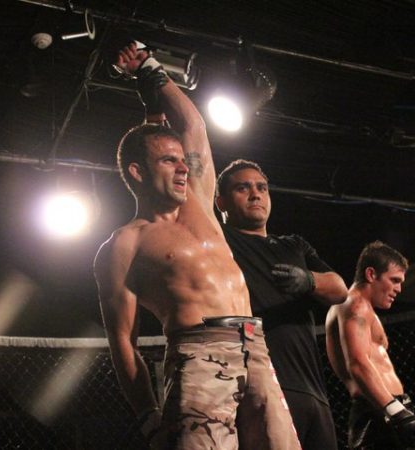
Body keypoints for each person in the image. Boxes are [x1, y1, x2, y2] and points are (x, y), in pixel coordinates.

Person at [93, 42, 301, 450]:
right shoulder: (125, 245)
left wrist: (150, 69)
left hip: (255, 347)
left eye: (182, 160)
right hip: (198, 354)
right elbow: (123, 344)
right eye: (168, 161)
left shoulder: (200, 205)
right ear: (137, 172)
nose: (183, 167)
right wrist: (148, 418)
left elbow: (193, 125)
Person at [215, 159, 348, 449]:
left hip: (313, 388)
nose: (255, 194)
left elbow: (340, 290)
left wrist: (309, 280)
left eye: (262, 187)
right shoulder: (219, 241)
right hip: (261, 385)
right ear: (220, 202)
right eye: (243, 188)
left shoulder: (294, 244)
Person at [324, 241, 415, 449]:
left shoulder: (362, 308)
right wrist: (395, 410)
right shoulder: (356, 305)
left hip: (386, 408)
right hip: (379, 410)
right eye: (394, 280)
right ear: (371, 274)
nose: (399, 289)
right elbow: (358, 364)